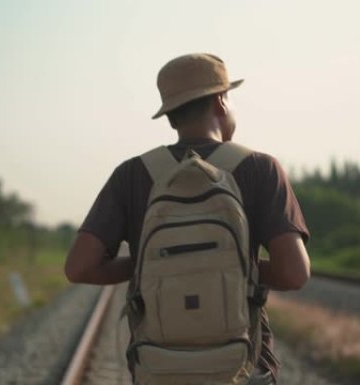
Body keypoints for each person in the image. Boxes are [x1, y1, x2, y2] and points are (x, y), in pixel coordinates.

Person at [65, 53, 311, 384]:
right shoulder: (260, 169)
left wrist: (148, 263)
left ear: (170, 117)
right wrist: (234, 266)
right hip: (241, 365)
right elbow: (294, 273)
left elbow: (79, 267)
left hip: (159, 364)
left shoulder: (132, 175)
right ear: (221, 102)